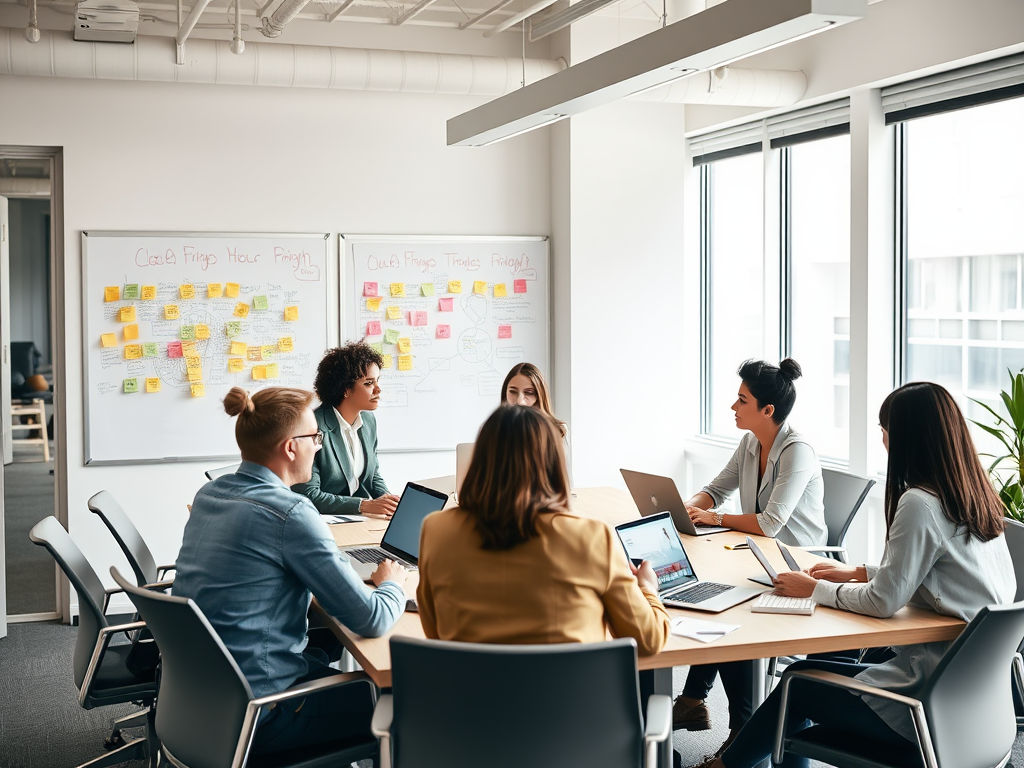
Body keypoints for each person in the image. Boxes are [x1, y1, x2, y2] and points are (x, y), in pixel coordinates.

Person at [695, 381, 1015, 768]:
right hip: (972, 706)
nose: (881, 440)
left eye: (884, 431)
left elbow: (884, 602)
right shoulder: (976, 497)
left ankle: (724, 767)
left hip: (920, 705)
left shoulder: (919, 502)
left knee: (797, 683)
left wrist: (816, 589)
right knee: (809, 670)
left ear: (905, 437)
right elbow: (944, 573)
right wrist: (859, 571)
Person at [173, 386, 409, 756]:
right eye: (315, 437)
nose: (319, 446)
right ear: (289, 447)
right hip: (264, 715)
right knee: (409, 704)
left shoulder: (212, 493)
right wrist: (392, 584)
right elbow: (372, 619)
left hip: (200, 698)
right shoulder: (291, 513)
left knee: (324, 645)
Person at [417, 404, 670, 655]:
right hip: (571, 695)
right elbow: (647, 641)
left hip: (469, 694)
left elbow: (435, 632)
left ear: (481, 459)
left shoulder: (436, 530)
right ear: (552, 462)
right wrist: (647, 587)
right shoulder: (592, 537)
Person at [674, 359, 827, 762]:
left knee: (731, 617)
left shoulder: (797, 451)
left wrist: (716, 518)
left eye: (742, 400)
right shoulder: (750, 443)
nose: (733, 407)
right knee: (712, 599)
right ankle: (694, 701)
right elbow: (715, 489)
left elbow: (773, 522)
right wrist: (685, 509)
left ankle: (738, 728)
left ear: (767, 410)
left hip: (797, 567)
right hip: (757, 558)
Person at [293, 342, 401, 518]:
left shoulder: (368, 420)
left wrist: (389, 502)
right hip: (321, 520)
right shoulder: (311, 426)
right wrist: (364, 505)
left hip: (358, 520)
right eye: (368, 383)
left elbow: (372, 475)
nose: (378, 389)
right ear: (345, 390)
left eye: (377, 381)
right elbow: (308, 494)